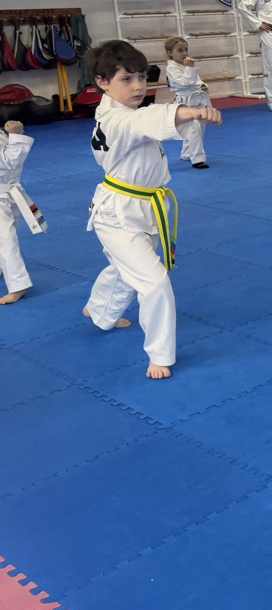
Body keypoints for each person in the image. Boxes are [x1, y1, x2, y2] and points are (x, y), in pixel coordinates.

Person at [82, 40, 223, 378]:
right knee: (154, 281)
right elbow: (148, 119)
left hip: (143, 207)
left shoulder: (122, 111)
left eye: (142, 77)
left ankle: (99, 310)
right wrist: (189, 111)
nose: (138, 86)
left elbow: (149, 120)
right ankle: (159, 354)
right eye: (127, 79)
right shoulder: (118, 120)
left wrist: (186, 112)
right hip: (117, 214)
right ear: (102, 82)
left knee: (126, 268)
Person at [0, 119, 35, 304]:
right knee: (6, 239)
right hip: (5, 192)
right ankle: (18, 283)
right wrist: (17, 135)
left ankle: (17, 283)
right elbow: (8, 162)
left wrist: (14, 135)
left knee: (6, 237)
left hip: (8, 192)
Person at [164, 37, 211, 169]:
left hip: (198, 101)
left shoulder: (186, 65)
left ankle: (186, 153)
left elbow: (197, 81)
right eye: (180, 50)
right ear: (170, 52)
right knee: (194, 129)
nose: (184, 53)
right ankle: (198, 159)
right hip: (185, 103)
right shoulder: (171, 68)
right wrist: (190, 68)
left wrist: (203, 85)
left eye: (186, 49)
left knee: (200, 129)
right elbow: (184, 83)